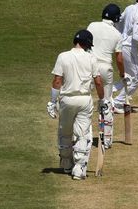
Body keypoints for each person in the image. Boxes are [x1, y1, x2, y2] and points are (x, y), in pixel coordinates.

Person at [46, 29, 107, 180]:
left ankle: (67, 164)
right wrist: (102, 100)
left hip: (67, 99)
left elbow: (57, 81)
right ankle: (79, 169)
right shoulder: (91, 58)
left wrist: (52, 102)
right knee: (82, 134)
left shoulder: (63, 56)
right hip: (84, 100)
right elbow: (98, 82)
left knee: (65, 132)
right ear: (87, 44)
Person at [87, 4, 127, 148]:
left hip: (89, 66)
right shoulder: (117, 34)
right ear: (116, 18)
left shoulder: (92, 25)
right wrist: (122, 74)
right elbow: (119, 58)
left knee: (85, 99)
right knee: (107, 102)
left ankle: (83, 137)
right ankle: (107, 139)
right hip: (105, 68)